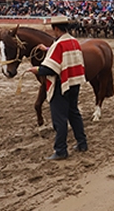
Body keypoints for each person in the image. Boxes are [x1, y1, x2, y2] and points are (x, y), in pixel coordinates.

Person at [27, 15, 88, 160]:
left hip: (61, 85)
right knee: (74, 113)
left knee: (59, 119)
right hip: (74, 82)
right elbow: (66, 57)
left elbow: (51, 69)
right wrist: (48, 48)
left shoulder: (58, 45)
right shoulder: (74, 41)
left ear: (56, 28)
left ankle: (61, 150)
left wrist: (37, 70)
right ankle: (82, 143)